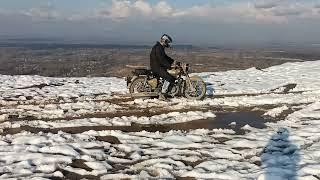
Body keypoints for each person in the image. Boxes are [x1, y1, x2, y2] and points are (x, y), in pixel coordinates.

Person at [150, 34, 176, 100]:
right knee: (169, 77)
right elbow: (161, 59)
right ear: (164, 41)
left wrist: (173, 61)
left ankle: (168, 91)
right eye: (167, 42)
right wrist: (170, 66)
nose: (168, 44)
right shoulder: (158, 48)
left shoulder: (160, 47)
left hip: (159, 66)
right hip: (157, 67)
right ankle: (162, 94)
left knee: (171, 76)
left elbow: (165, 57)